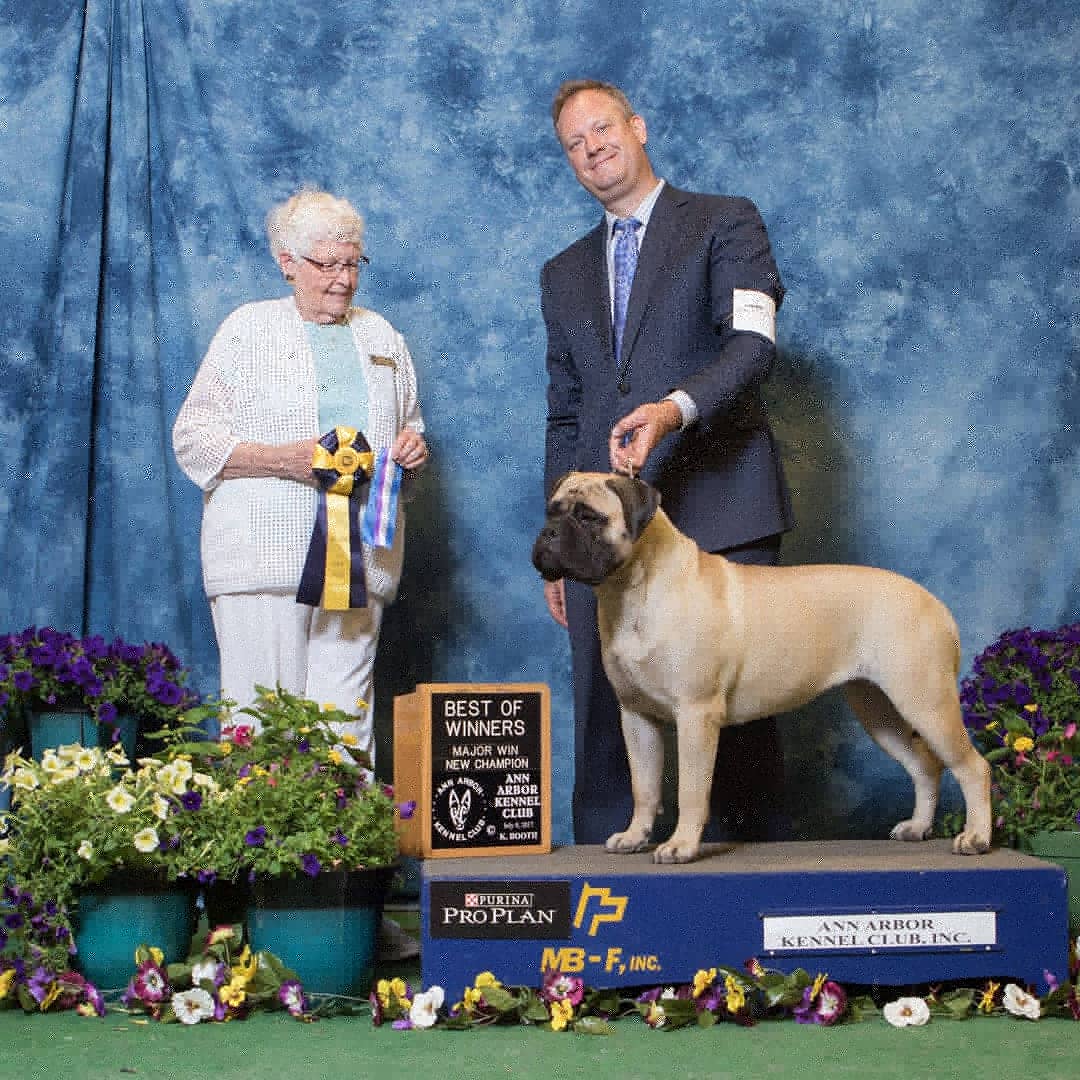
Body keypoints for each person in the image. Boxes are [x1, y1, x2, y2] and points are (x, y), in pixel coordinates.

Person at [540, 80, 793, 846]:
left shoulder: (724, 220)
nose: (592, 148)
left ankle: (757, 934)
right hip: (604, 536)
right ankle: (602, 912)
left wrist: (673, 408)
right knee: (606, 711)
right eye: (574, 143)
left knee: (738, 722)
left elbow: (753, 346)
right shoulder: (563, 272)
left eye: (603, 129)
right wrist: (558, 545)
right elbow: (565, 412)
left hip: (721, 504)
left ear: (638, 126)